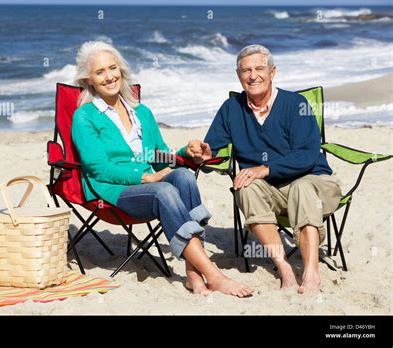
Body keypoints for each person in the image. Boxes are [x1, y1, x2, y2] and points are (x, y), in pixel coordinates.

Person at [71, 41, 254, 298]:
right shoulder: (85, 117)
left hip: (148, 185)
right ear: (88, 79)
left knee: (183, 176)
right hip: (111, 190)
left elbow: (159, 157)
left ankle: (193, 273)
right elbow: (99, 168)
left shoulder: (141, 112)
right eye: (100, 72)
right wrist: (146, 176)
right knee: (163, 191)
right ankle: (213, 274)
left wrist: (185, 153)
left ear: (121, 70)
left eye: (113, 68)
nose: (109, 76)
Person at [192, 44, 342, 294]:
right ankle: (283, 267)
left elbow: (306, 155)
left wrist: (264, 169)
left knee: (302, 188)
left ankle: (311, 273)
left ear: (272, 72)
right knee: (245, 186)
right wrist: (205, 157)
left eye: (259, 68)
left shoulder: (296, 104)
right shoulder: (231, 108)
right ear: (238, 75)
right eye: (246, 70)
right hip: (270, 192)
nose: (253, 76)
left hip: (314, 183)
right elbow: (213, 152)